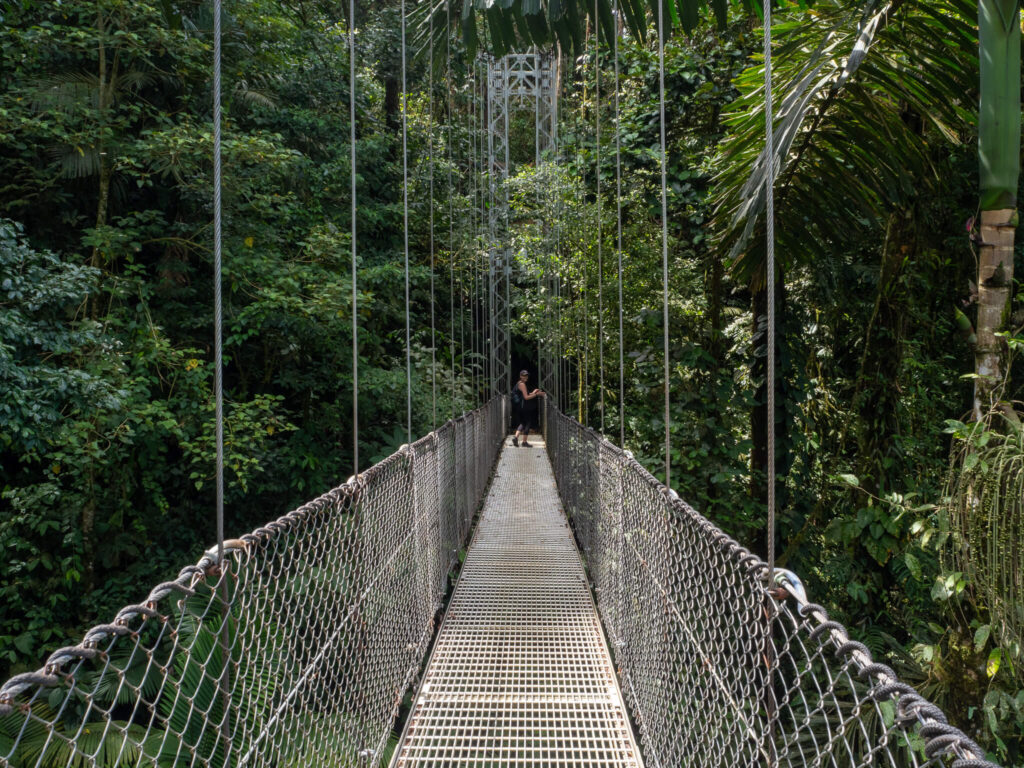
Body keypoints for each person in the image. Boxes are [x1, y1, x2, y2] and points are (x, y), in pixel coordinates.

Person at [511, 369, 544, 447]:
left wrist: (534, 392)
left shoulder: (519, 383)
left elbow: (526, 394)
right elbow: (526, 397)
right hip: (523, 407)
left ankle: (515, 438)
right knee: (528, 422)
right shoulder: (522, 384)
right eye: (523, 375)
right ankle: (524, 442)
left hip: (520, 407)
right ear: (520, 376)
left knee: (523, 422)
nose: (525, 377)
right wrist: (537, 395)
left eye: (526, 375)